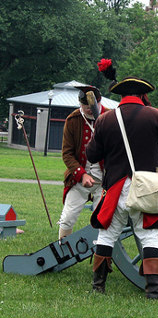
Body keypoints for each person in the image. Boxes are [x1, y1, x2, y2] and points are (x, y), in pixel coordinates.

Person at [86, 58, 158, 299]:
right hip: (145, 187)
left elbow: (92, 154)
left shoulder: (105, 119)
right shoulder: (154, 114)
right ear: (142, 95)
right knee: (149, 234)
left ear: (121, 96)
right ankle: (154, 290)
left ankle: (98, 287)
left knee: (107, 234)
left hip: (116, 187)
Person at [57, 85, 107, 241]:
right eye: (86, 107)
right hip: (79, 177)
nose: (90, 110)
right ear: (80, 105)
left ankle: (101, 254)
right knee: (67, 218)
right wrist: (82, 174)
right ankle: (62, 251)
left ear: (100, 103)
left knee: (104, 220)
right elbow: (67, 154)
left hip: (106, 179)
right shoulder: (73, 120)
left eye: (93, 106)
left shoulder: (110, 117)